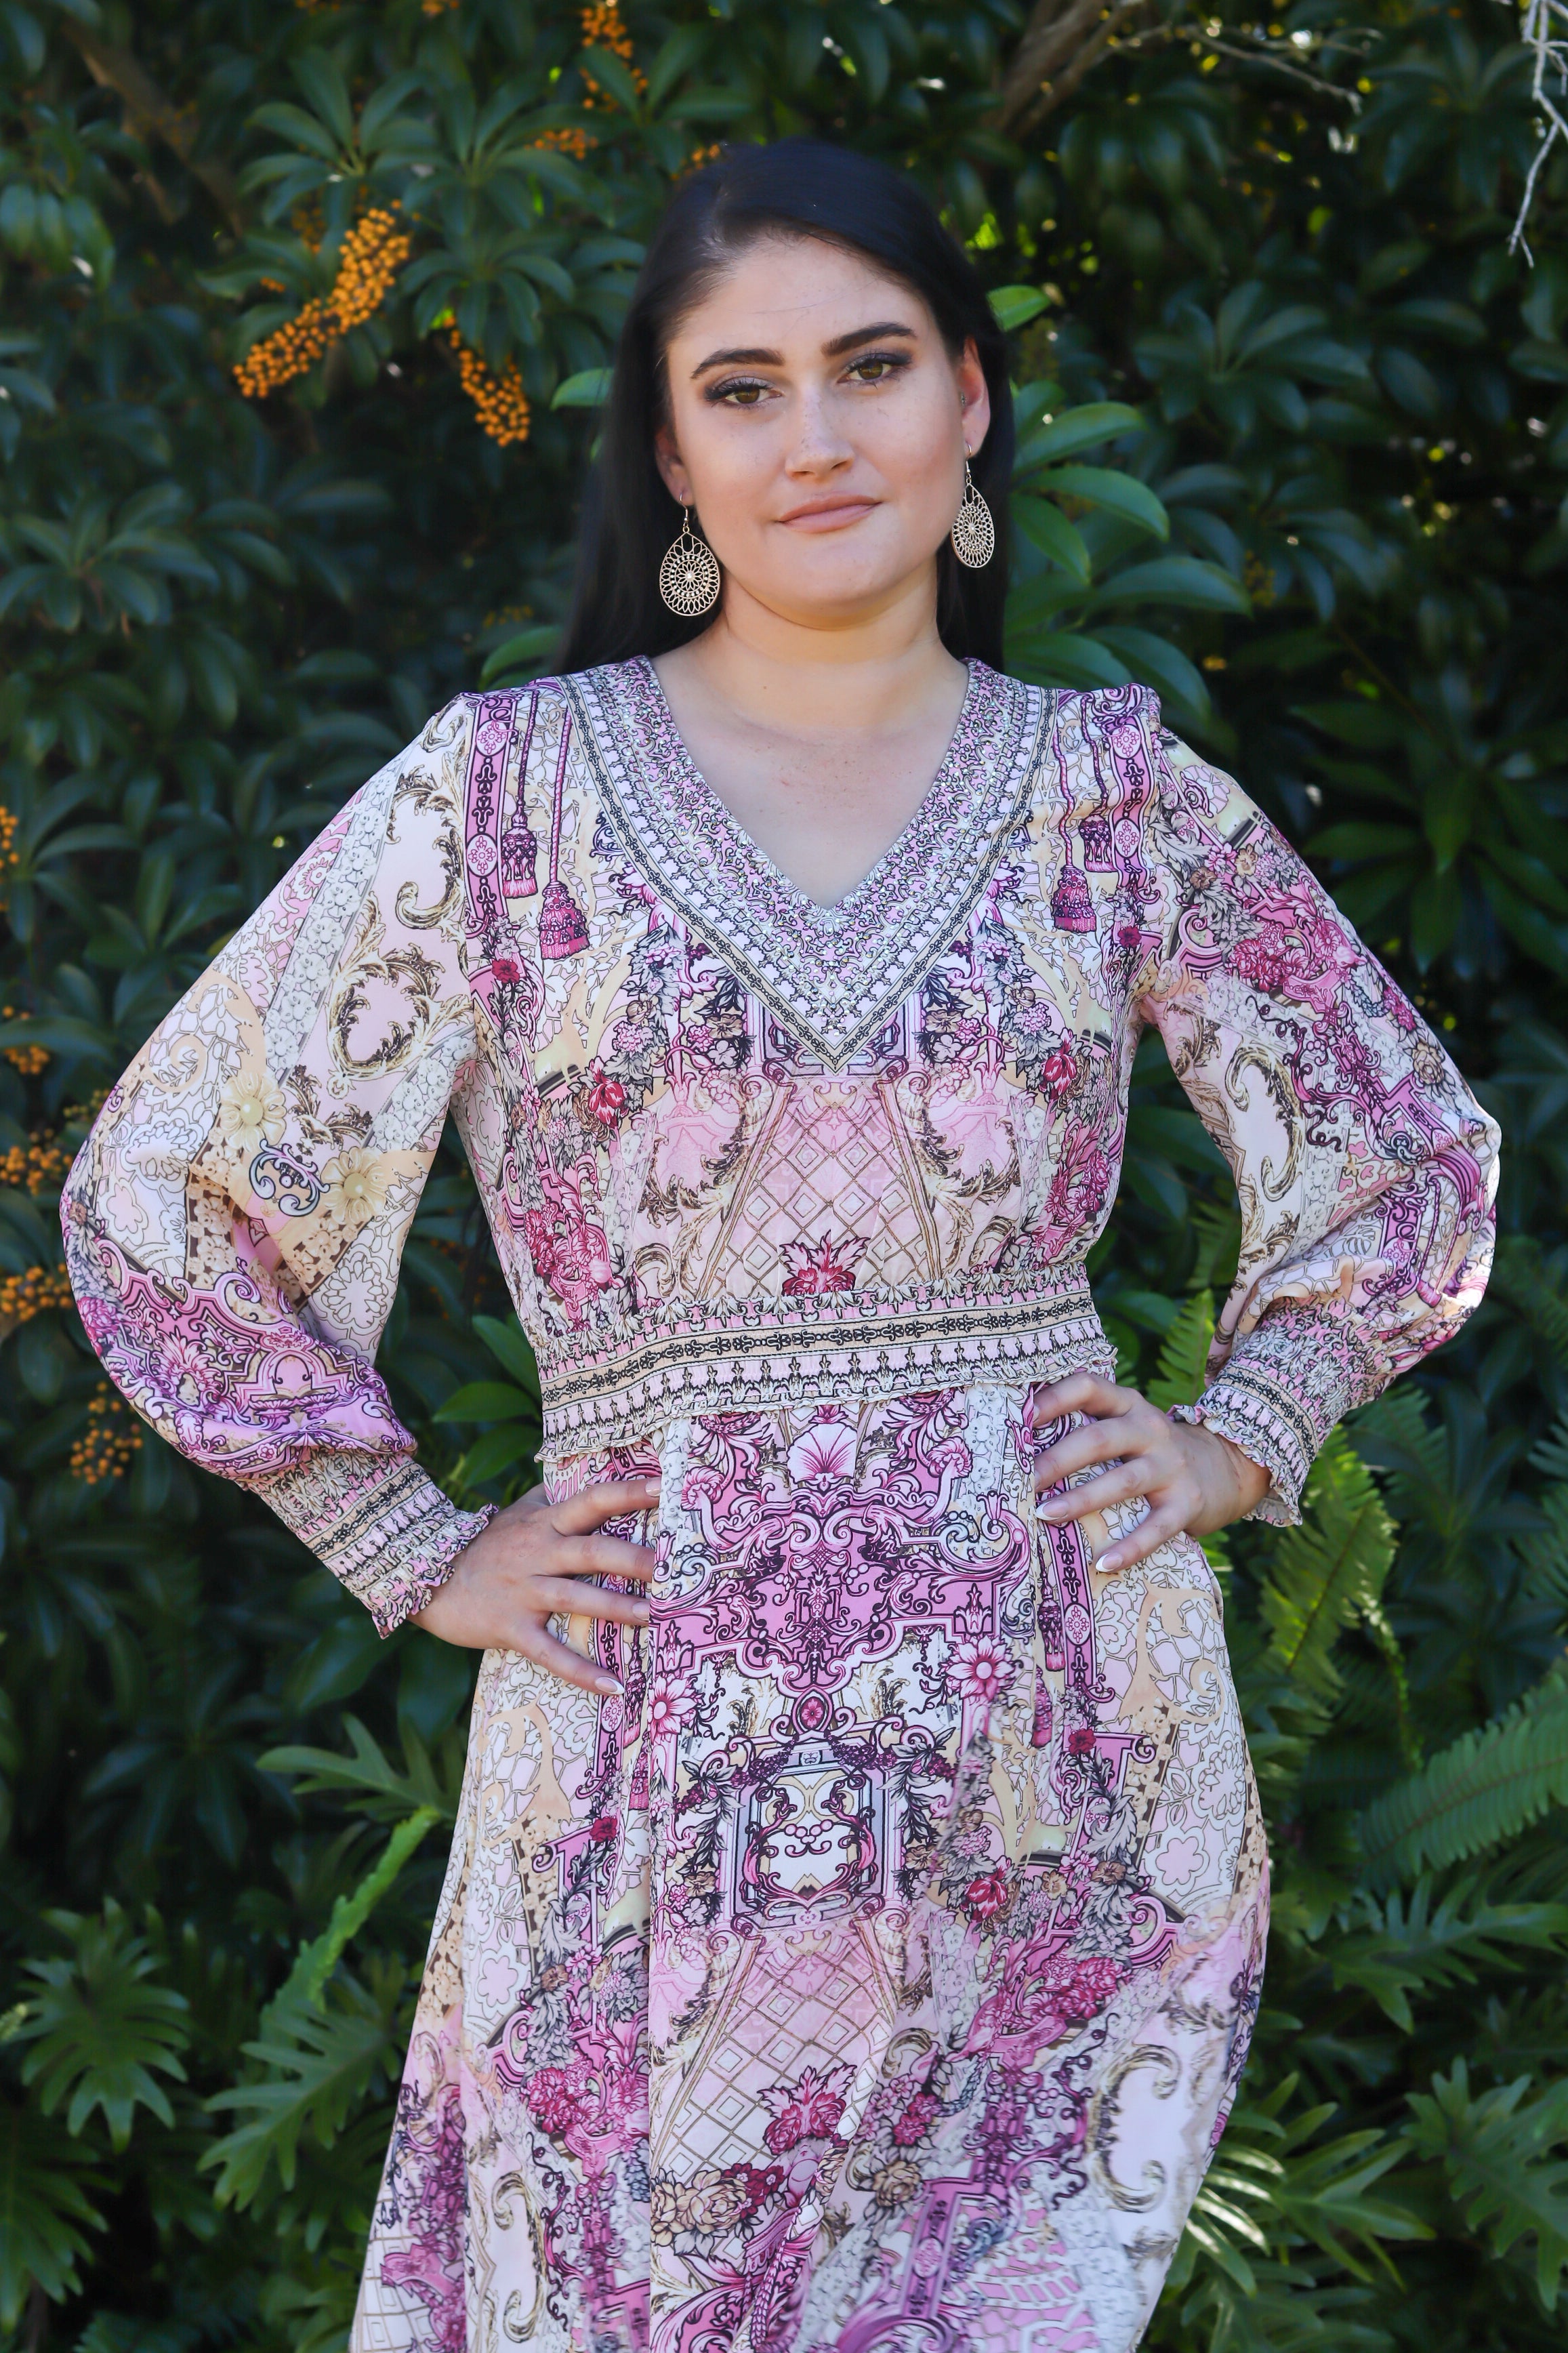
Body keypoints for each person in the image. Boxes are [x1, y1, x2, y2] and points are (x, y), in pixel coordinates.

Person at [63, 138, 1498, 2353]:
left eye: (870, 367)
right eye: (741, 390)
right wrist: (402, 1542)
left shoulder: (1106, 792)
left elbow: (1400, 1146)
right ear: (666, 453)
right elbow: (170, 1190)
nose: (813, 438)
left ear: (971, 403)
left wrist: (1247, 1429)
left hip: (1053, 1768)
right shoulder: (502, 801)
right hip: (647, 1751)